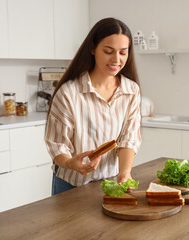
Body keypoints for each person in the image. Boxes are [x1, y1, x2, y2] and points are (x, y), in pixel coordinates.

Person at [45, 17, 141, 195]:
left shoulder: (131, 91)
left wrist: (125, 172)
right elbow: (58, 144)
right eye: (108, 51)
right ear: (92, 48)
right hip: (71, 184)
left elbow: (129, 138)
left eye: (122, 52)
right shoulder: (69, 93)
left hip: (111, 181)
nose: (116, 59)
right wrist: (70, 162)